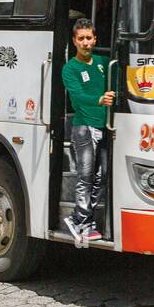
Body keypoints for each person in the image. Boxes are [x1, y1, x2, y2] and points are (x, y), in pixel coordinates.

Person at [62, 18, 114, 244]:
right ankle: (80, 220)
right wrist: (100, 99)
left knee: (101, 177)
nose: (86, 42)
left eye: (89, 38)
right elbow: (78, 98)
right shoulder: (70, 68)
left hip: (104, 127)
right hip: (83, 128)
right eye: (81, 38)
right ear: (74, 41)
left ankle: (85, 219)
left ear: (95, 39)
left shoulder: (104, 62)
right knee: (85, 177)